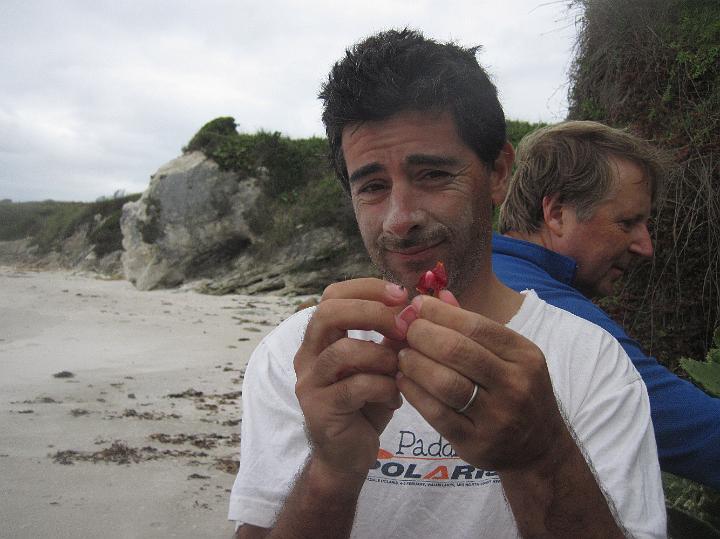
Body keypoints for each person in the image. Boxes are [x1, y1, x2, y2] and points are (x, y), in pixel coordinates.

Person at [229, 30, 666, 538]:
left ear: (499, 173)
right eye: (372, 186)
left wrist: (541, 455)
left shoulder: (591, 361)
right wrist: (331, 470)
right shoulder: (301, 355)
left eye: (433, 174)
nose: (399, 219)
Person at [494, 120, 720, 490]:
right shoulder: (548, 308)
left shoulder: (488, 272)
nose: (645, 246)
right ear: (557, 214)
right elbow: (698, 434)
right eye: (627, 222)